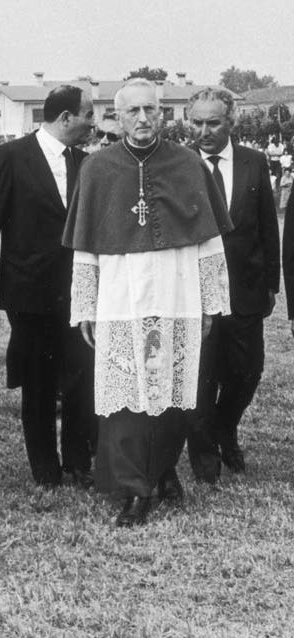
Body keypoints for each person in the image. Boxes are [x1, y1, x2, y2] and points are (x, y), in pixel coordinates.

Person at [62, 79, 232, 526]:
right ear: (116, 117)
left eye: (151, 110)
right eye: (132, 111)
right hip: (121, 297)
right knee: (126, 396)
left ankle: (162, 470)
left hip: (178, 293)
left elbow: (211, 242)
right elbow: (86, 247)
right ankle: (136, 489)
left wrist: (211, 304)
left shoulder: (188, 164)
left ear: (163, 114)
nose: (142, 119)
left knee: (173, 390)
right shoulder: (97, 169)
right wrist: (85, 306)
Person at [0, 85, 97, 488]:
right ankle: (45, 468)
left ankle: (78, 462)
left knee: (82, 378)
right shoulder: (11, 156)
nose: (92, 123)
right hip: (29, 289)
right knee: (39, 383)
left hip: (79, 292)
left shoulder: (85, 162)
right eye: (88, 115)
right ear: (66, 118)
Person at [185, 88, 279, 481]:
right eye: (197, 122)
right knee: (202, 377)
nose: (204, 131)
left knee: (247, 371)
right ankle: (205, 457)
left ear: (231, 122)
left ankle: (226, 427)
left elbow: (267, 228)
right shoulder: (181, 165)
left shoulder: (255, 162)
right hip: (194, 292)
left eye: (214, 122)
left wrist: (271, 283)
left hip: (245, 290)